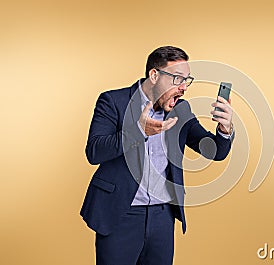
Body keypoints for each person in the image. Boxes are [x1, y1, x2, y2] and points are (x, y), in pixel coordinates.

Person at [80, 46, 234, 265]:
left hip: (162, 217)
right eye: (177, 79)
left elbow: (213, 151)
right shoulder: (113, 101)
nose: (183, 88)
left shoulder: (181, 110)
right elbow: (94, 152)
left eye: (186, 80)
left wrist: (225, 129)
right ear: (154, 75)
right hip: (120, 215)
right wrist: (137, 131)